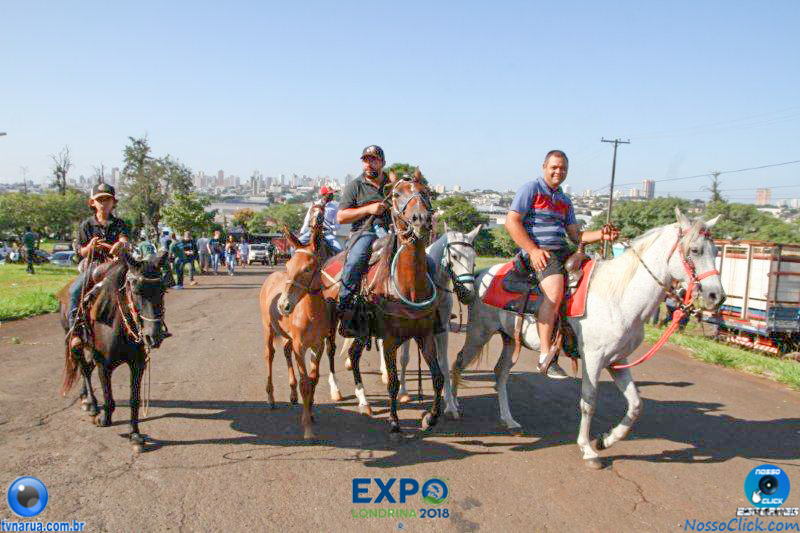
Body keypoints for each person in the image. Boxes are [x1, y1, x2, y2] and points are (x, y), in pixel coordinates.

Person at [505, 150, 619, 379]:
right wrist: (533, 250)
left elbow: (576, 235)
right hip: (540, 251)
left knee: (594, 274)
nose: (559, 171)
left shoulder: (565, 200)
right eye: (554, 167)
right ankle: (545, 356)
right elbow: (511, 221)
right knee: (555, 292)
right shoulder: (531, 189)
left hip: (561, 250)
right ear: (544, 167)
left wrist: (601, 235)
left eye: (563, 168)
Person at [66, 183, 130, 347]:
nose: (104, 203)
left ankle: (145, 326)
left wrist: (121, 244)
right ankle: (75, 332)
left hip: (117, 266)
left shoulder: (120, 224)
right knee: (74, 291)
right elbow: (81, 251)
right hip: (94, 266)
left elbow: (124, 240)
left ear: (114, 202)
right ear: (92, 203)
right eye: (100, 200)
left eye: (107, 199)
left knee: (140, 286)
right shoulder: (86, 225)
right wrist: (90, 247)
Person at [299, 186, 343, 255]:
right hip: (312, 232)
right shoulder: (314, 205)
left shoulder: (334, 208)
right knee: (295, 246)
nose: (332, 196)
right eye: (330, 194)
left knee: (339, 250)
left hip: (326, 234)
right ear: (324, 195)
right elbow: (307, 221)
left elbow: (337, 225)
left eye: (332, 194)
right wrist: (302, 232)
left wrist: (328, 227)